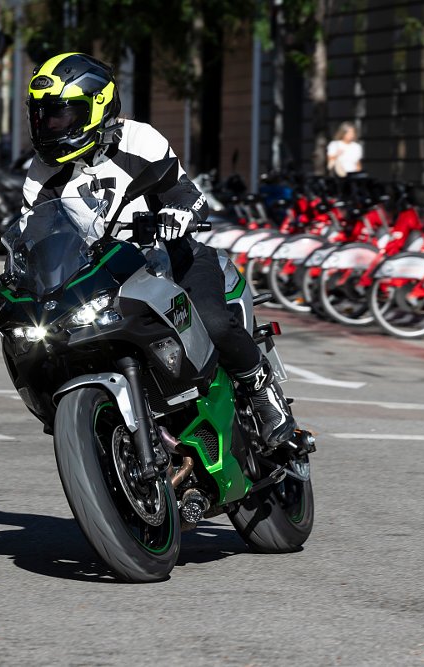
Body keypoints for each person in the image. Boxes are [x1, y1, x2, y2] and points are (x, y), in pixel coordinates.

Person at [21, 52, 295, 450]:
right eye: (42, 115)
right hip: (107, 277)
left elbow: (186, 193)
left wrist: (176, 215)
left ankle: (261, 391)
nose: (48, 126)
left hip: (174, 261)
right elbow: (38, 237)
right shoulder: (40, 175)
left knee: (213, 322)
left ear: (96, 107)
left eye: (61, 115)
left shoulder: (139, 138)